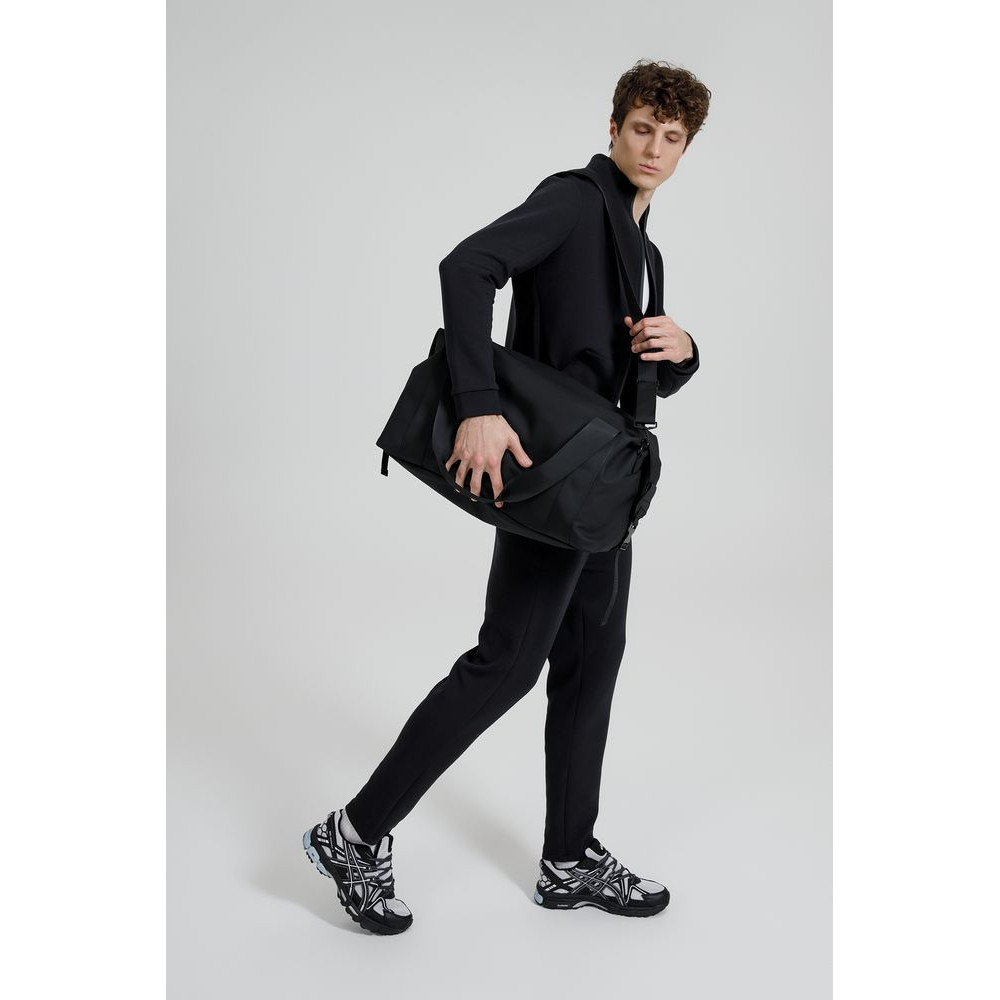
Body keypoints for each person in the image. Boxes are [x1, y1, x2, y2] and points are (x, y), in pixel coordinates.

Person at [303, 59, 711, 935]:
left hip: (604, 495)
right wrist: (478, 406)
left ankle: (568, 859)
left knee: (592, 663)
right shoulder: (574, 201)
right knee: (508, 664)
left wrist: (683, 351)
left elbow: (624, 380)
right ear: (614, 128)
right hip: (552, 479)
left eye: (672, 137)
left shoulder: (644, 251)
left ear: (686, 151)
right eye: (643, 127)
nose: (654, 147)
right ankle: (352, 834)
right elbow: (467, 266)